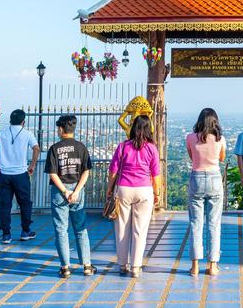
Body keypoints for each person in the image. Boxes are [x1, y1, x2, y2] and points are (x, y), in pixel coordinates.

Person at [107, 114, 161, 277]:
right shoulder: (152, 148)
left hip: (124, 188)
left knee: (122, 227)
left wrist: (110, 189)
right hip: (144, 190)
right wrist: (156, 192)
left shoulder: (123, 146)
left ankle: (122, 264)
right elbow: (156, 174)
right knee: (140, 229)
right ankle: (136, 266)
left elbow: (113, 171)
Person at [44, 114, 96, 278]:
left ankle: (65, 267)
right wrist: (77, 190)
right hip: (77, 191)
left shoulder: (54, 148)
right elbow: (86, 171)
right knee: (80, 229)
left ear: (60, 129)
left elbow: (52, 173)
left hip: (60, 192)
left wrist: (65, 191)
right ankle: (87, 265)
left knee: (61, 230)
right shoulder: (81, 147)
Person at [0, 109, 39, 245]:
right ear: (23, 121)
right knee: (25, 203)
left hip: (5, 175)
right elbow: (36, 148)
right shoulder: (27, 134)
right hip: (21, 175)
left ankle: (6, 234)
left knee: (5, 205)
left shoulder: (2, 134)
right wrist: (32, 165)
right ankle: (25, 231)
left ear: (10, 120)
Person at [186, 107, 226, 276]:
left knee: (196, 223)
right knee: (214, 223)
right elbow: (222, 158)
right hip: (215, 178)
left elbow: (191, 156)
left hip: (196, 178)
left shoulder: (190, 138)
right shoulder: (220, 139)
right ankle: (212, 265)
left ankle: (195, 265)